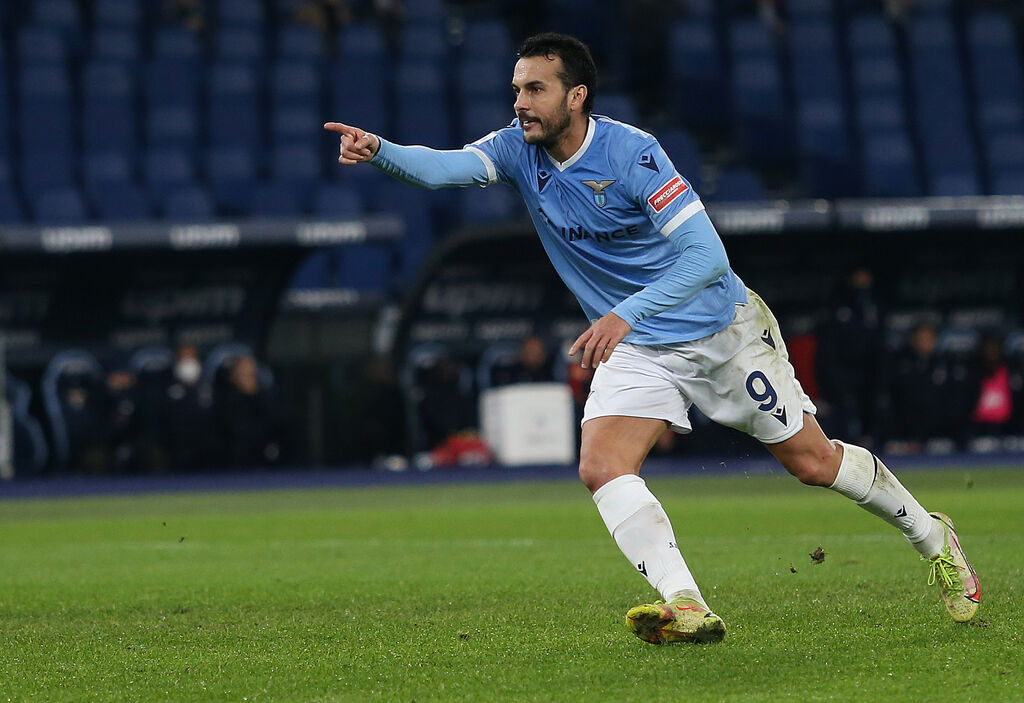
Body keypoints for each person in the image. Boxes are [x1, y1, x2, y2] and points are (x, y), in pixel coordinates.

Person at [323, 32, 980, 643]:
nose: (520, 102)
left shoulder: (633, 154)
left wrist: (624, 312)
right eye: (518, 88)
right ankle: (686, 600)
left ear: (576, 97)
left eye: (535, 90)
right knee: (601, 465)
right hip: (639, 347)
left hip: (719, 331)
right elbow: (442, 170)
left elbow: (706, 259)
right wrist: (379, 150)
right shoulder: (516, 150)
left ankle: (933, 536)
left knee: (812, 463)